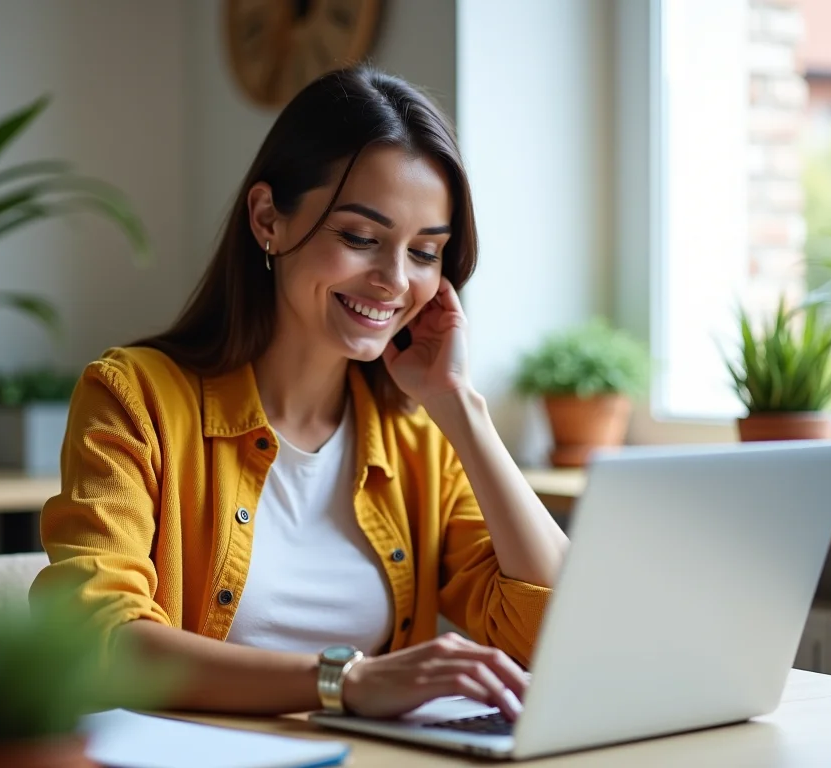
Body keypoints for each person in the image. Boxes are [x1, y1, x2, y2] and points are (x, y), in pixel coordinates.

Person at [31, 65, 568, 724]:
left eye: (425, 253)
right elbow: (96, 644)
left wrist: (460, 405)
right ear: (268, 220)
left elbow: (553, 631)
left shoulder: (420, 439)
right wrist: (347, 682)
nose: (394, 281)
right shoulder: (134, 399)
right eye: (361, 238)